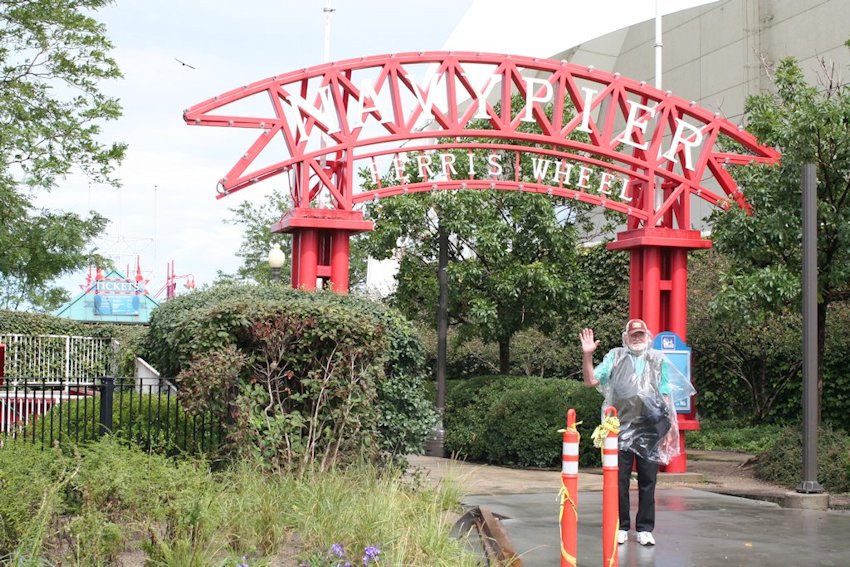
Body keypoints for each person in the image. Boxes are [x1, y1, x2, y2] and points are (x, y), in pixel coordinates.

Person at [580, 319, 678, 547]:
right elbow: (591, 381)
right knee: (619, 481)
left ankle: (644, 528)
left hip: (650, 429)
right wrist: (587, 355)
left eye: (640, 334)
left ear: (648, 336)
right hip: (619, 429)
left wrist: (670, 428)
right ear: (626, 337)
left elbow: (665, 396)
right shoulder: (615, 357)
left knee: (648, 481)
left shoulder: (658, 360)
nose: (637, 338)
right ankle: (621, 526)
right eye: (633, 335)